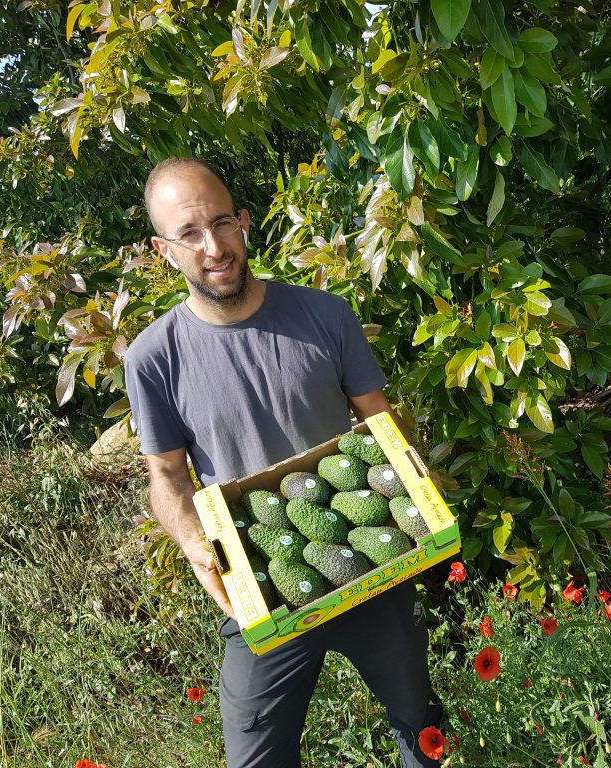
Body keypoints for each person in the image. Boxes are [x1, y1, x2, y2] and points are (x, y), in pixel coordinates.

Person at [124, 157, 445, 767]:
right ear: (164, 250)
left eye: (222, 222)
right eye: (189, 234)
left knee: (419, 722)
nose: (213, 246)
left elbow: (379, 420)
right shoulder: (152, 358)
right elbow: (164, 477)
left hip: (365, 551)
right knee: (255, 757)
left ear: (245, 222)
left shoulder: (325, 316)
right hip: (257, 578)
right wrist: (193, 538)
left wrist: (409, 473)